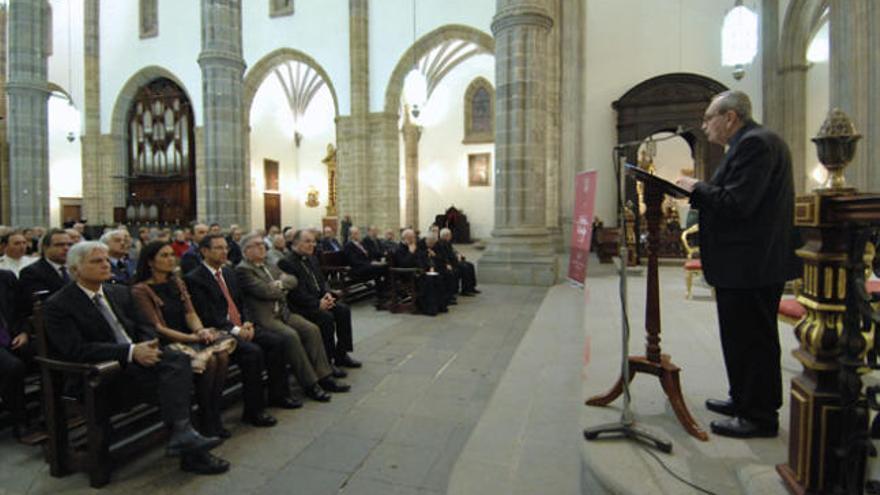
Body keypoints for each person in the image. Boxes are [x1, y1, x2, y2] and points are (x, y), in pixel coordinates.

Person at [44, 241, 229, 474]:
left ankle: (185, 436)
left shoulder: (118, 291)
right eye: (96, 261)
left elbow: (145, 326)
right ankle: (190, 448)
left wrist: (147, 345)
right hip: (101, 374)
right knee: (177, 381)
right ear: (74, 270)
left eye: (105, 259)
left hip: (139, 365)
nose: (105, 265)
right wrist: (131, 353)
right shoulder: (58, 304)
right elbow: (76, 349)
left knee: (178, 362)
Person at [675, 90, 796, 439]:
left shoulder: (756, 144)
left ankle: (759, 416)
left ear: (730, 117)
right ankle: (742, 399)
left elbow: (737, 203)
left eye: (708, 117)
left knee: (753, 341)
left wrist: (695, 187)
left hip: (750, 266)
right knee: (740, 338)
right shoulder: (751, 142)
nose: (704, 125)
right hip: (745, 265)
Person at [185, 234, 295, 426]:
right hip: (219, 332)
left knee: (277, 341)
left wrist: (247, 323)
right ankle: (254, 411)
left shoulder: (228, 272)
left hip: (241, 326)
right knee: (253, 353)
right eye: (218, 248)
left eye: (225, 248)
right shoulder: (195, 278)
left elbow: (241, 303)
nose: (224, 251)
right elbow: (208, 315)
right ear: (204, 251)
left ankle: (278, 395)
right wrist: (236, 330)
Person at [131, 241, 236, 438]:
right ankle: (205, 419)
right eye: (164, 255)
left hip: (189, 334)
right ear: (150, 262)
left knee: (222, 355)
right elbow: (158, 327)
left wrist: (200, 330)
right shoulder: (141, 290)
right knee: (211, 361)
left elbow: (190, 313)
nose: (171, 259)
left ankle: (214, 413)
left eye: (172, 254)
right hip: (167, 341)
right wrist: (191, 337)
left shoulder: (176, 282)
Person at [235, 234, 349, 402]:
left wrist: (280, 284)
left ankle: (325, 376)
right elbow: (265, 291)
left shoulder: (269, 264)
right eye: (257, 245)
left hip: (284, 313)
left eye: (262, 244)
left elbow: (293, 280)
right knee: (291, 336)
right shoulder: (243, 270)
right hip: (266, 318)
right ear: (246, 250)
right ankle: (311, 384)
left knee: (311, 329)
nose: (262, 247)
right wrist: (280, 286)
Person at [279, 230, 361, 372]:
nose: (312, 244)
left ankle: (341, 355)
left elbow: (321, 281)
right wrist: (318, 304)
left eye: (313, 241)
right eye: (308, 241)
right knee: (326, 318)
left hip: (319, 300)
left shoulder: (312, 258)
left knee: (343, 310)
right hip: (300, 306)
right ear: (296, 243)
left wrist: (327, 294)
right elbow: (295, 293)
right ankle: (327, 362)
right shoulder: (286, 262)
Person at [0, 268, 33, 439]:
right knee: (13, 367)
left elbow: (23, 311)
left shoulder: (6, 277)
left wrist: (24, 332)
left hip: (14, 335)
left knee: (51, 352)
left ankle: (58, 411)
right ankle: (19, 419)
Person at [19, 229, 73, 318]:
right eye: (59, 245)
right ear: (45, 248)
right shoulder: (31, 272)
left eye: (69, 245)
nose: (66, 248)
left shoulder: (77, 268)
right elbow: (43, 302)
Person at [438, 228, 479, 296]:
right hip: (451, 263)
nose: (451, 236)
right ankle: (465, 290)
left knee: (470, 265)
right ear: (446, 236)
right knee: (465, 267)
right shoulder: (442, 244)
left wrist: (458, 255)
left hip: (454, 261)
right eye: (450, 235)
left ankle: (471, 287)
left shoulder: (448, 243)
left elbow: (453, 252)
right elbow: (446, 256)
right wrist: (456, 259)